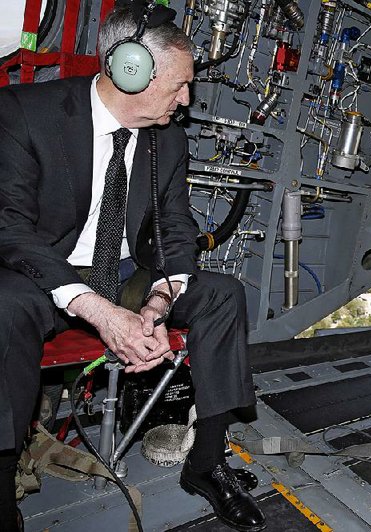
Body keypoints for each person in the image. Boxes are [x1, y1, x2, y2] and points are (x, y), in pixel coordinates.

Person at [0, 3, 266, 531]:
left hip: (124, 275)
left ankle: (207, 462)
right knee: (3, 307)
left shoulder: (166, 137)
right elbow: (11, 229)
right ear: (130, 71)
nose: (186, 100)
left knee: (223, 294)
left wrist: (160, 300)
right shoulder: (24, 111)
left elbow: (174, 226)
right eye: (179, 86)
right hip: (47, 277)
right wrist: (96, 310)